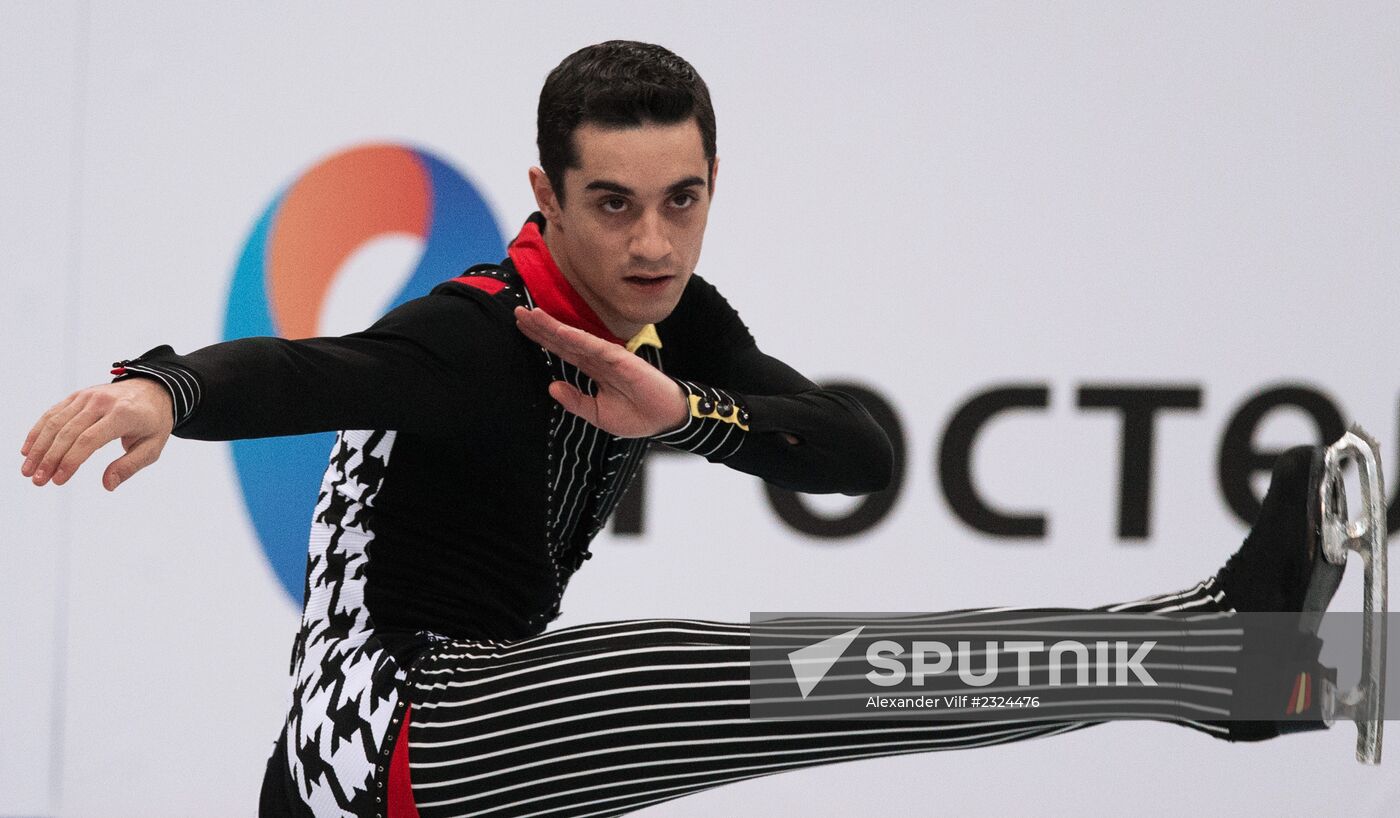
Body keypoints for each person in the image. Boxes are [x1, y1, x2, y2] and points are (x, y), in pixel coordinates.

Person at [19, 40, 1344, 818]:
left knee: (797, 686)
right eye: (612, 204)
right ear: (545, 193)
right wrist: (162, 391)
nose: (651, 243)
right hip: (397, 739)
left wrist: (693, 414)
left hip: (464, 758)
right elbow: (307, 370)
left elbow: (852, 451)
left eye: (683, 199)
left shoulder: (677, 318)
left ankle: (1231, 662)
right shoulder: (487, 332)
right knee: (790, 682)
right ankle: (1223, 663)